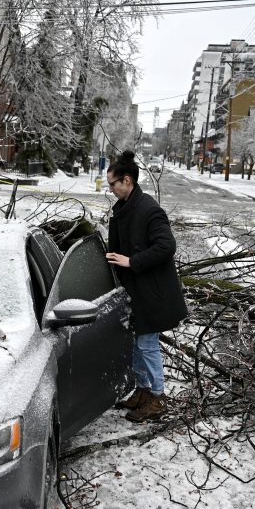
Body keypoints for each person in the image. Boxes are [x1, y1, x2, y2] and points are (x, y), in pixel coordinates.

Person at [104, 150, 188, 422]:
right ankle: (143, 391)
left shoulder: (148, 209)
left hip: (152, 294)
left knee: (147, 345)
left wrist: (132, 261)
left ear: (127, 181)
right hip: (136, 291)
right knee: (138, 345)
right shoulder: (126, 207)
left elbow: (167, 246)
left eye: (112, 184)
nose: (110, 189)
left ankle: (158, 398)